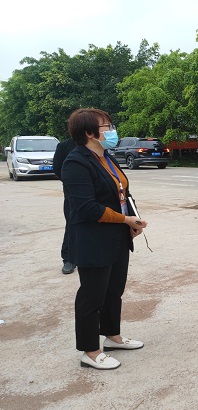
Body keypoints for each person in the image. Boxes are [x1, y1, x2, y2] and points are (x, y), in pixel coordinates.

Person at [61, 108, 148, 370]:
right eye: (106, 127)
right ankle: (90, 351)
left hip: (116, 236)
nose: (112, 131)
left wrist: (133, 220)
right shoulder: (76, 163)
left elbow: (121, 193)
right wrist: (125, 220)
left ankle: (112, 336)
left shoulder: (106, 157)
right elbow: (87, 207)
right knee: (92, 297)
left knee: (113, 290)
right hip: (92, 239)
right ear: (89, 133)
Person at [53, 136, 78, 274]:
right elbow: (57, 168)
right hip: (72, 194)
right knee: (72, 224)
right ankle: (69, 259)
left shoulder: (96, 145)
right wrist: (72, 181)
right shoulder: (64, 146)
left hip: (96, 192)